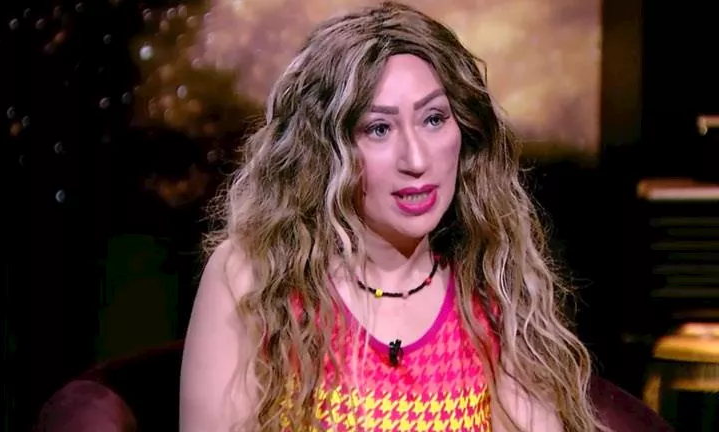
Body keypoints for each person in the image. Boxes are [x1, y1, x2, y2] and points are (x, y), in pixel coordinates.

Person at [180, 2, 607, 431]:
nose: (416, 160)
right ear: (324, 151)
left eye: (434, 119)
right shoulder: (254, 278)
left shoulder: (493, 291)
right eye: (379, 129)